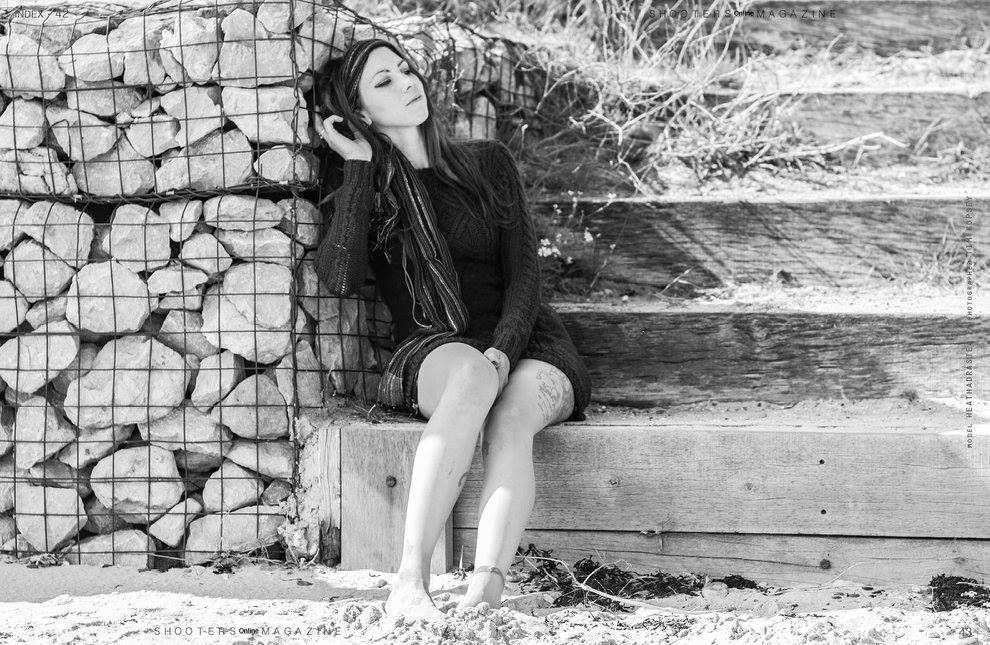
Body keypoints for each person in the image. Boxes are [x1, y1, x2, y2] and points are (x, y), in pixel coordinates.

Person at [312, 37, 591, 621]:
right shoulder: (368, 190)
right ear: (360, 112)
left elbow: (525, 277)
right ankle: (409, 580)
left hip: (528, 339)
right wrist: (359, 166)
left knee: (510, 418)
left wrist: (503, 350)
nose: (407, 83)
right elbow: (339, 278)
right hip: (433, 346)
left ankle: (485, 591)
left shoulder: (487, 163)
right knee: (471, 377)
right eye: (384, 81)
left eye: (406, 69)